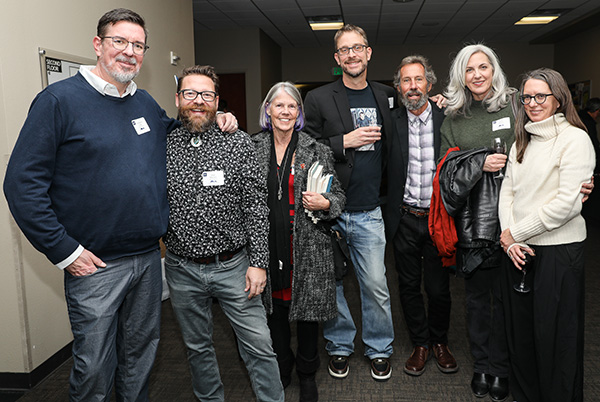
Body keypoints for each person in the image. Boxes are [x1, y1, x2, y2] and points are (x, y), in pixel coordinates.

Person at [3, 9, 235, 401]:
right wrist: (64, 250)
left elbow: (175, 133)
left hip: (147, 260)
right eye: (119, 42)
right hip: (95, 265)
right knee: (93, 366)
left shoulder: (143, 103)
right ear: (98, 45)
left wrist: (215, 116)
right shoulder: (58, 101)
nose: (129, 52)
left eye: (138, 45)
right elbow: (21, 185)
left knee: (140, 358)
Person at [163, 65, 284, 402]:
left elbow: (257, 206)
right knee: (197, 347)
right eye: (189, 94)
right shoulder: (165, 142)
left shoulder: (238, 142)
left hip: (234, 267)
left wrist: (258, 262)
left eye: (205, 95)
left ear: (217, 101)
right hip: (181, 267)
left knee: (258, 345)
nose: (197, 101)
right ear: (178, 99)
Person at [303, 24, 395, 381]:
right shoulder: (319, 98)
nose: (352, 55)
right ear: (337, 58)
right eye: (344, 50)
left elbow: (402, 131)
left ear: (368, 53)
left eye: (358, 48)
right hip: (329, 210)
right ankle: (339, 345)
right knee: (332, 284)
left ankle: (379, 347)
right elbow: (306, 145)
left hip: (370, 210)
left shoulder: (386, 95)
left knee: (375, 285)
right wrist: (345, 141)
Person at [499, 68, 595, 402]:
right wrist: (509, 237)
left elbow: (567, 205)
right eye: (527, 97)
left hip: (559, 252)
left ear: (558, 98)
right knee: (522, 338)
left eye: (541, 96)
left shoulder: (575, 139)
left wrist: (515, 234)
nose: (533, 103)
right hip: (519, 252)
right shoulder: (521, 140)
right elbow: (507, 193)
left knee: (556, 340)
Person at [252, 82, 346, 402]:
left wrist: (326, 203)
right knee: (274, 312)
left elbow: (338, 196)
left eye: (292, 106)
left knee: (307, 315)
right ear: (268, 110)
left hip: (307, 248)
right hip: (267, 247)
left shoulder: (316, 149)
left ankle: (307, 372)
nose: (285, 111)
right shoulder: (253, 148)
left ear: (299, 113)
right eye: (279, 105)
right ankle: (282, 364)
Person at [438, 44, 514, 401]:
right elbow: (445, 169)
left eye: (484, 67)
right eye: (470, 70)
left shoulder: (514, 107)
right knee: (478, 301)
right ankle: (482, 365)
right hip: (473, 224)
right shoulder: (454, 118)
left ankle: (501, 367)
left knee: (507, 297)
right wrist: (478, 163)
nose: (478, 75)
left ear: (494, 70)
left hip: (515, 218)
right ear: (461, 76)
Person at [386, 55, 457, 377]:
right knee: (409, 286)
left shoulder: (449, 116)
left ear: (429, 83)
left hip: (438, 219)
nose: (412, 87)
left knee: (439, 288)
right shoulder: (391, 121)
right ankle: (421, 343)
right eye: (406, 81)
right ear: (398, 87)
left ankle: (440, 341)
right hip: (404, 219)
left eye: (418, 80)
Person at [578, 97, 600, 174]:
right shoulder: (589, 123)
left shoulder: (578, 117)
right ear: (597, 111)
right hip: (585, 159)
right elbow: (594, 144)